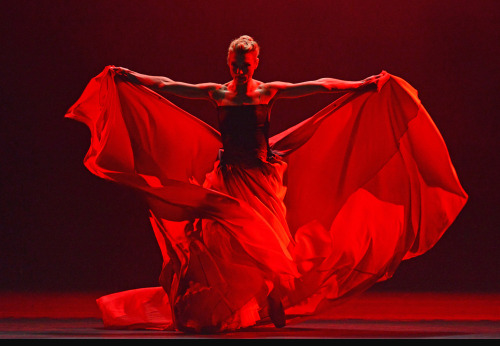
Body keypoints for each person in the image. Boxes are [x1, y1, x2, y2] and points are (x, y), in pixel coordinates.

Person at [66, 35, 467, 333]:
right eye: (236, 63)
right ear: (228, 61)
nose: (241, 69)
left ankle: (273, 290)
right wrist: (131, 76)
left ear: (256, 62)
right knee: (227, 240)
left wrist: (360, 84)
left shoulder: (267, 91)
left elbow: (319, 85)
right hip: (228, 176)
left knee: (269, 237)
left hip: (260, 177)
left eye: (247, 63)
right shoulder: (217, 92)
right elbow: (170, 86)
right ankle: (238, 300)